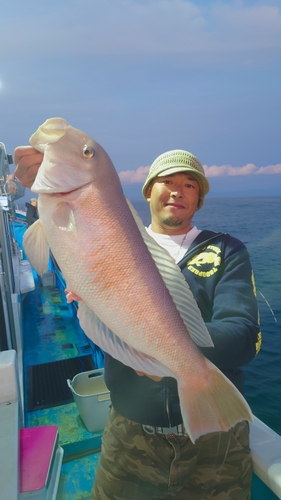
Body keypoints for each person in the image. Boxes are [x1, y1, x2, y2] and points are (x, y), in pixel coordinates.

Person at [14, 146, 261, 500]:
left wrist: (169, 356)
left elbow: (243, 332)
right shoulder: (105, 237)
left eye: (190, 184)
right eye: (167, 181)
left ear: (200, 198)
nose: (177, 190)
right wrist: (45, 181)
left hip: (217, 441)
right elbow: (60, 241)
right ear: (147, 190)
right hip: (129, 433)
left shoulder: (227, 250)